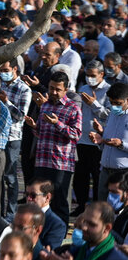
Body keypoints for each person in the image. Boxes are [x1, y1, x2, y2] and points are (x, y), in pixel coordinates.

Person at [24, 71, 82, 225]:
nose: (53, 92)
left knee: (59, 201)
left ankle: (59, 233)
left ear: (66, 90)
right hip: (42, 161)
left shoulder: (73, 108)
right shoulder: (45, 106)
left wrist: (57, 123)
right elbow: (41, 132)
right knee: (40, 198)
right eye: (51, 88)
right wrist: (34, 127)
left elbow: (76, 135)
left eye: (57, 89)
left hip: (61, 163)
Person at [73, 59, 110, 215]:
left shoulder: (109, 90)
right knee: (80, 176)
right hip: (81, 139)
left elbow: (110, 115)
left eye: (93, 75)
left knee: (96, 177)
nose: (90, 78)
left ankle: (95, 208)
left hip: (98, 141)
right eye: (87, 75)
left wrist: (95, 104)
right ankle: (81, 205)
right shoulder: (84, 88)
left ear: (101, 74)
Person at [0, 58, 32, 221]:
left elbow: (20, 116)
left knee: (10, 177)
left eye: (6, 70)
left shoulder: (24, 89)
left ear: (15, 69)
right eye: (1, 71)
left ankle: (11, 212)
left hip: (12, 137)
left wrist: (6, 102)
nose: (3, 74)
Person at [89, 82, 128, 201]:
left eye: (118, 103)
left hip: (123, 173)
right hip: (105, 170)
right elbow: (108, 139)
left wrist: (121, 144)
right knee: (102, 207)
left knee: (120, 207)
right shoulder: (112, 114)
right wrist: (101, 134)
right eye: (112, 103)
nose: (114, 106)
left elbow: (119, 142)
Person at [25, 178, 66, 250]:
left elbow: (47, 253)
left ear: (47, 197)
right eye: (27, 194)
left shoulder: (56, 224)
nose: (29, 198)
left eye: (33, 195)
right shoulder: (20, 216)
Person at [109, 172, 128, 242]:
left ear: (127, 194)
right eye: (109, 191)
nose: (110, 196)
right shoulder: (116, 211)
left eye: (115, 192)